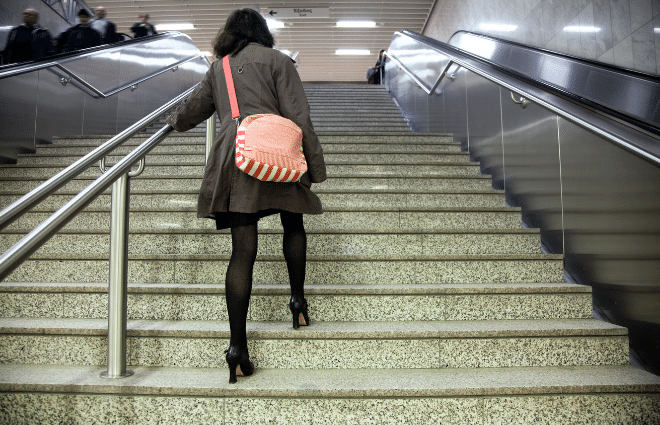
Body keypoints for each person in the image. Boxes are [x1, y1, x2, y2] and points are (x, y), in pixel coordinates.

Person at [166, 8, 327, 384]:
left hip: (237, 155)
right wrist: (314, 167)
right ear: (261, 32)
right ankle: (298, 301)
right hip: (278, 151)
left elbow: (192, 110)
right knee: (293, 223)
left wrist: (173, 120)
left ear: (229, 33)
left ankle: (237, 346)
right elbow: (299, 116)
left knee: (243, 249)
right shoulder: (278, 61)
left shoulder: (219, 67)